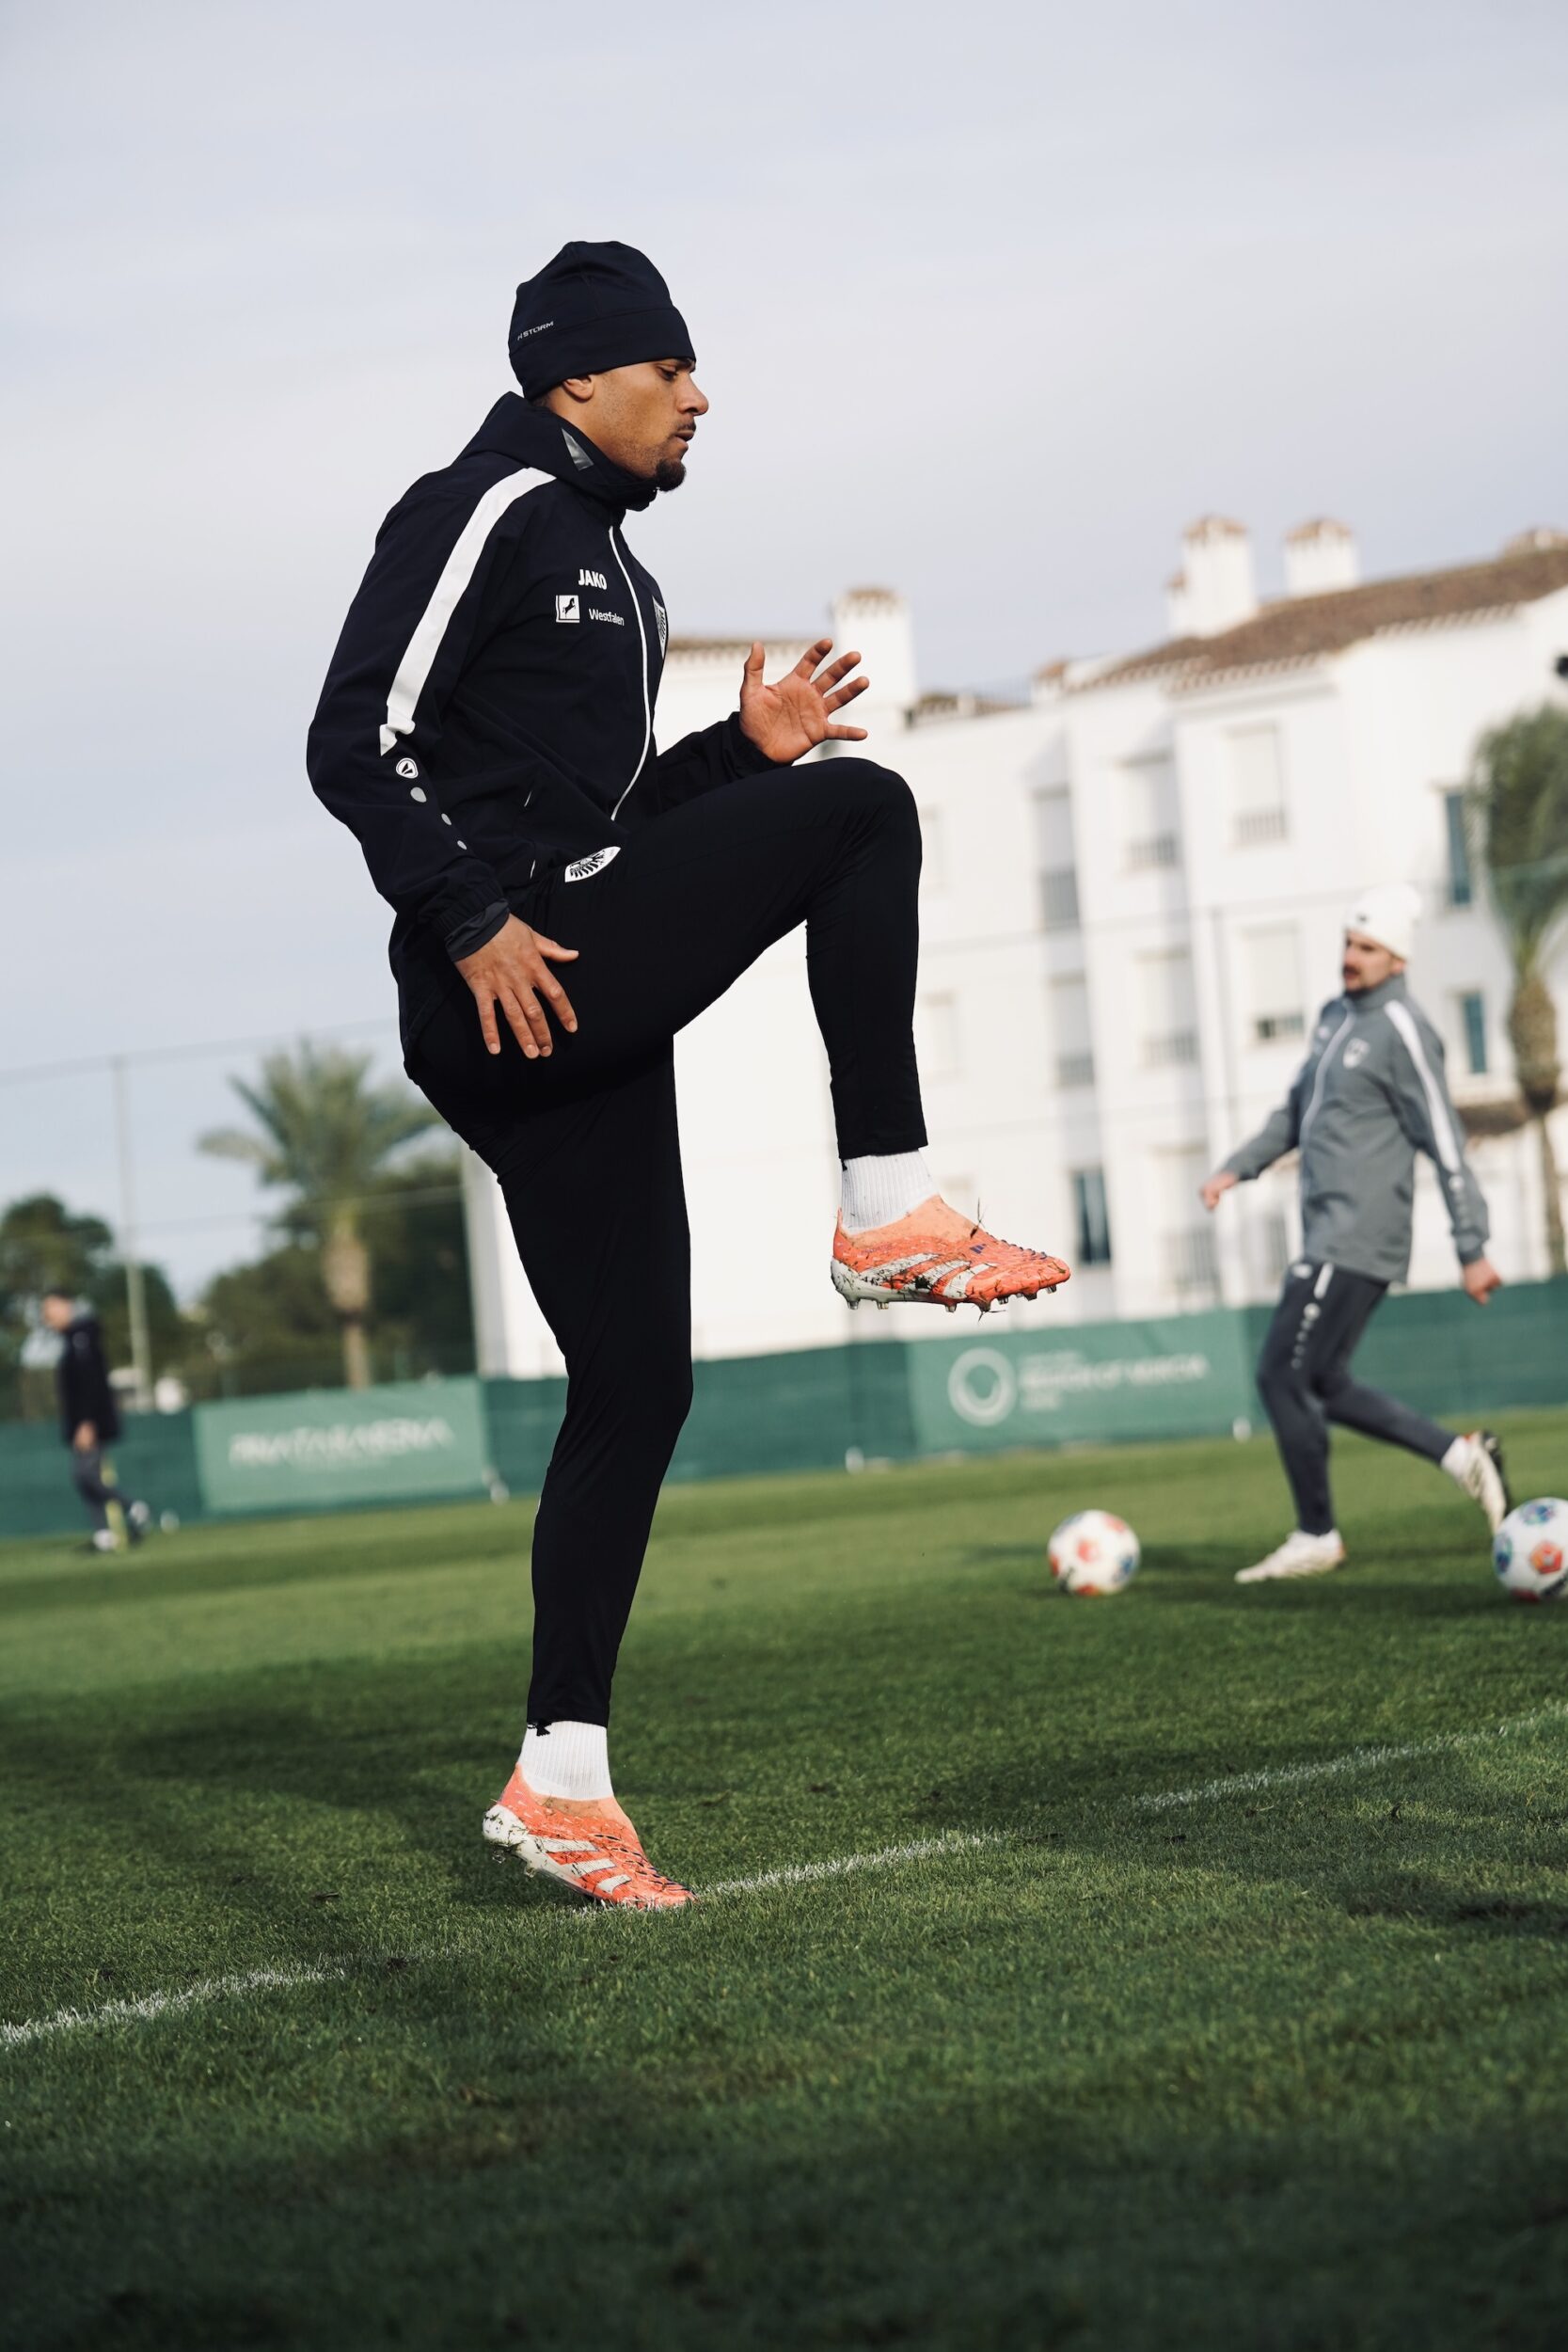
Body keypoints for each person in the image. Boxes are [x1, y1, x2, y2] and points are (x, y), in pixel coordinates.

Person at [308, 240, 1070, 1909]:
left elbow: (608, 834)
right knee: (865, 816)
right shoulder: (484, 506)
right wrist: (466, 918)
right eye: (672, 367)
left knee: (639, 1383)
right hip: (499, 975)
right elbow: (352, 737)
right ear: (576, 376)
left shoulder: (629, 581)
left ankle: (560, 1779)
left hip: (566, 983)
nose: (700, 395)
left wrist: (735, 757)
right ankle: (886, 1206)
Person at [1201, 883, 1509, 1584]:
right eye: (1348, 942)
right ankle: (1462, 1457)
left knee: (1280, 1374)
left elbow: (1445, 1140)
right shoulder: (1334, 1017)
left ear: (1397, 959)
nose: (1351, 956)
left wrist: (1471, 1247)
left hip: (1357, 1235)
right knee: (1322, 1380)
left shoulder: (1403, 1028)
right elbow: (1294, 1113)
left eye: (1367, 947)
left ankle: (1316, 1534)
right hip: (1325, 1234)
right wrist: (1236, 1168)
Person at [40, 1290, 152, 1553]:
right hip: (82, 1422)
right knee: (83, 1477)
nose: (47, 1316)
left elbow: (90, 1383)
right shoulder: (73, 1338)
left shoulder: (81, 1338)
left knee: (85, 1475)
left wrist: (87, 1422)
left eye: (51, 1308)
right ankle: (103, 1536)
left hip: (90, 1423)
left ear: (66, 1306)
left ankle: (134, 1508)